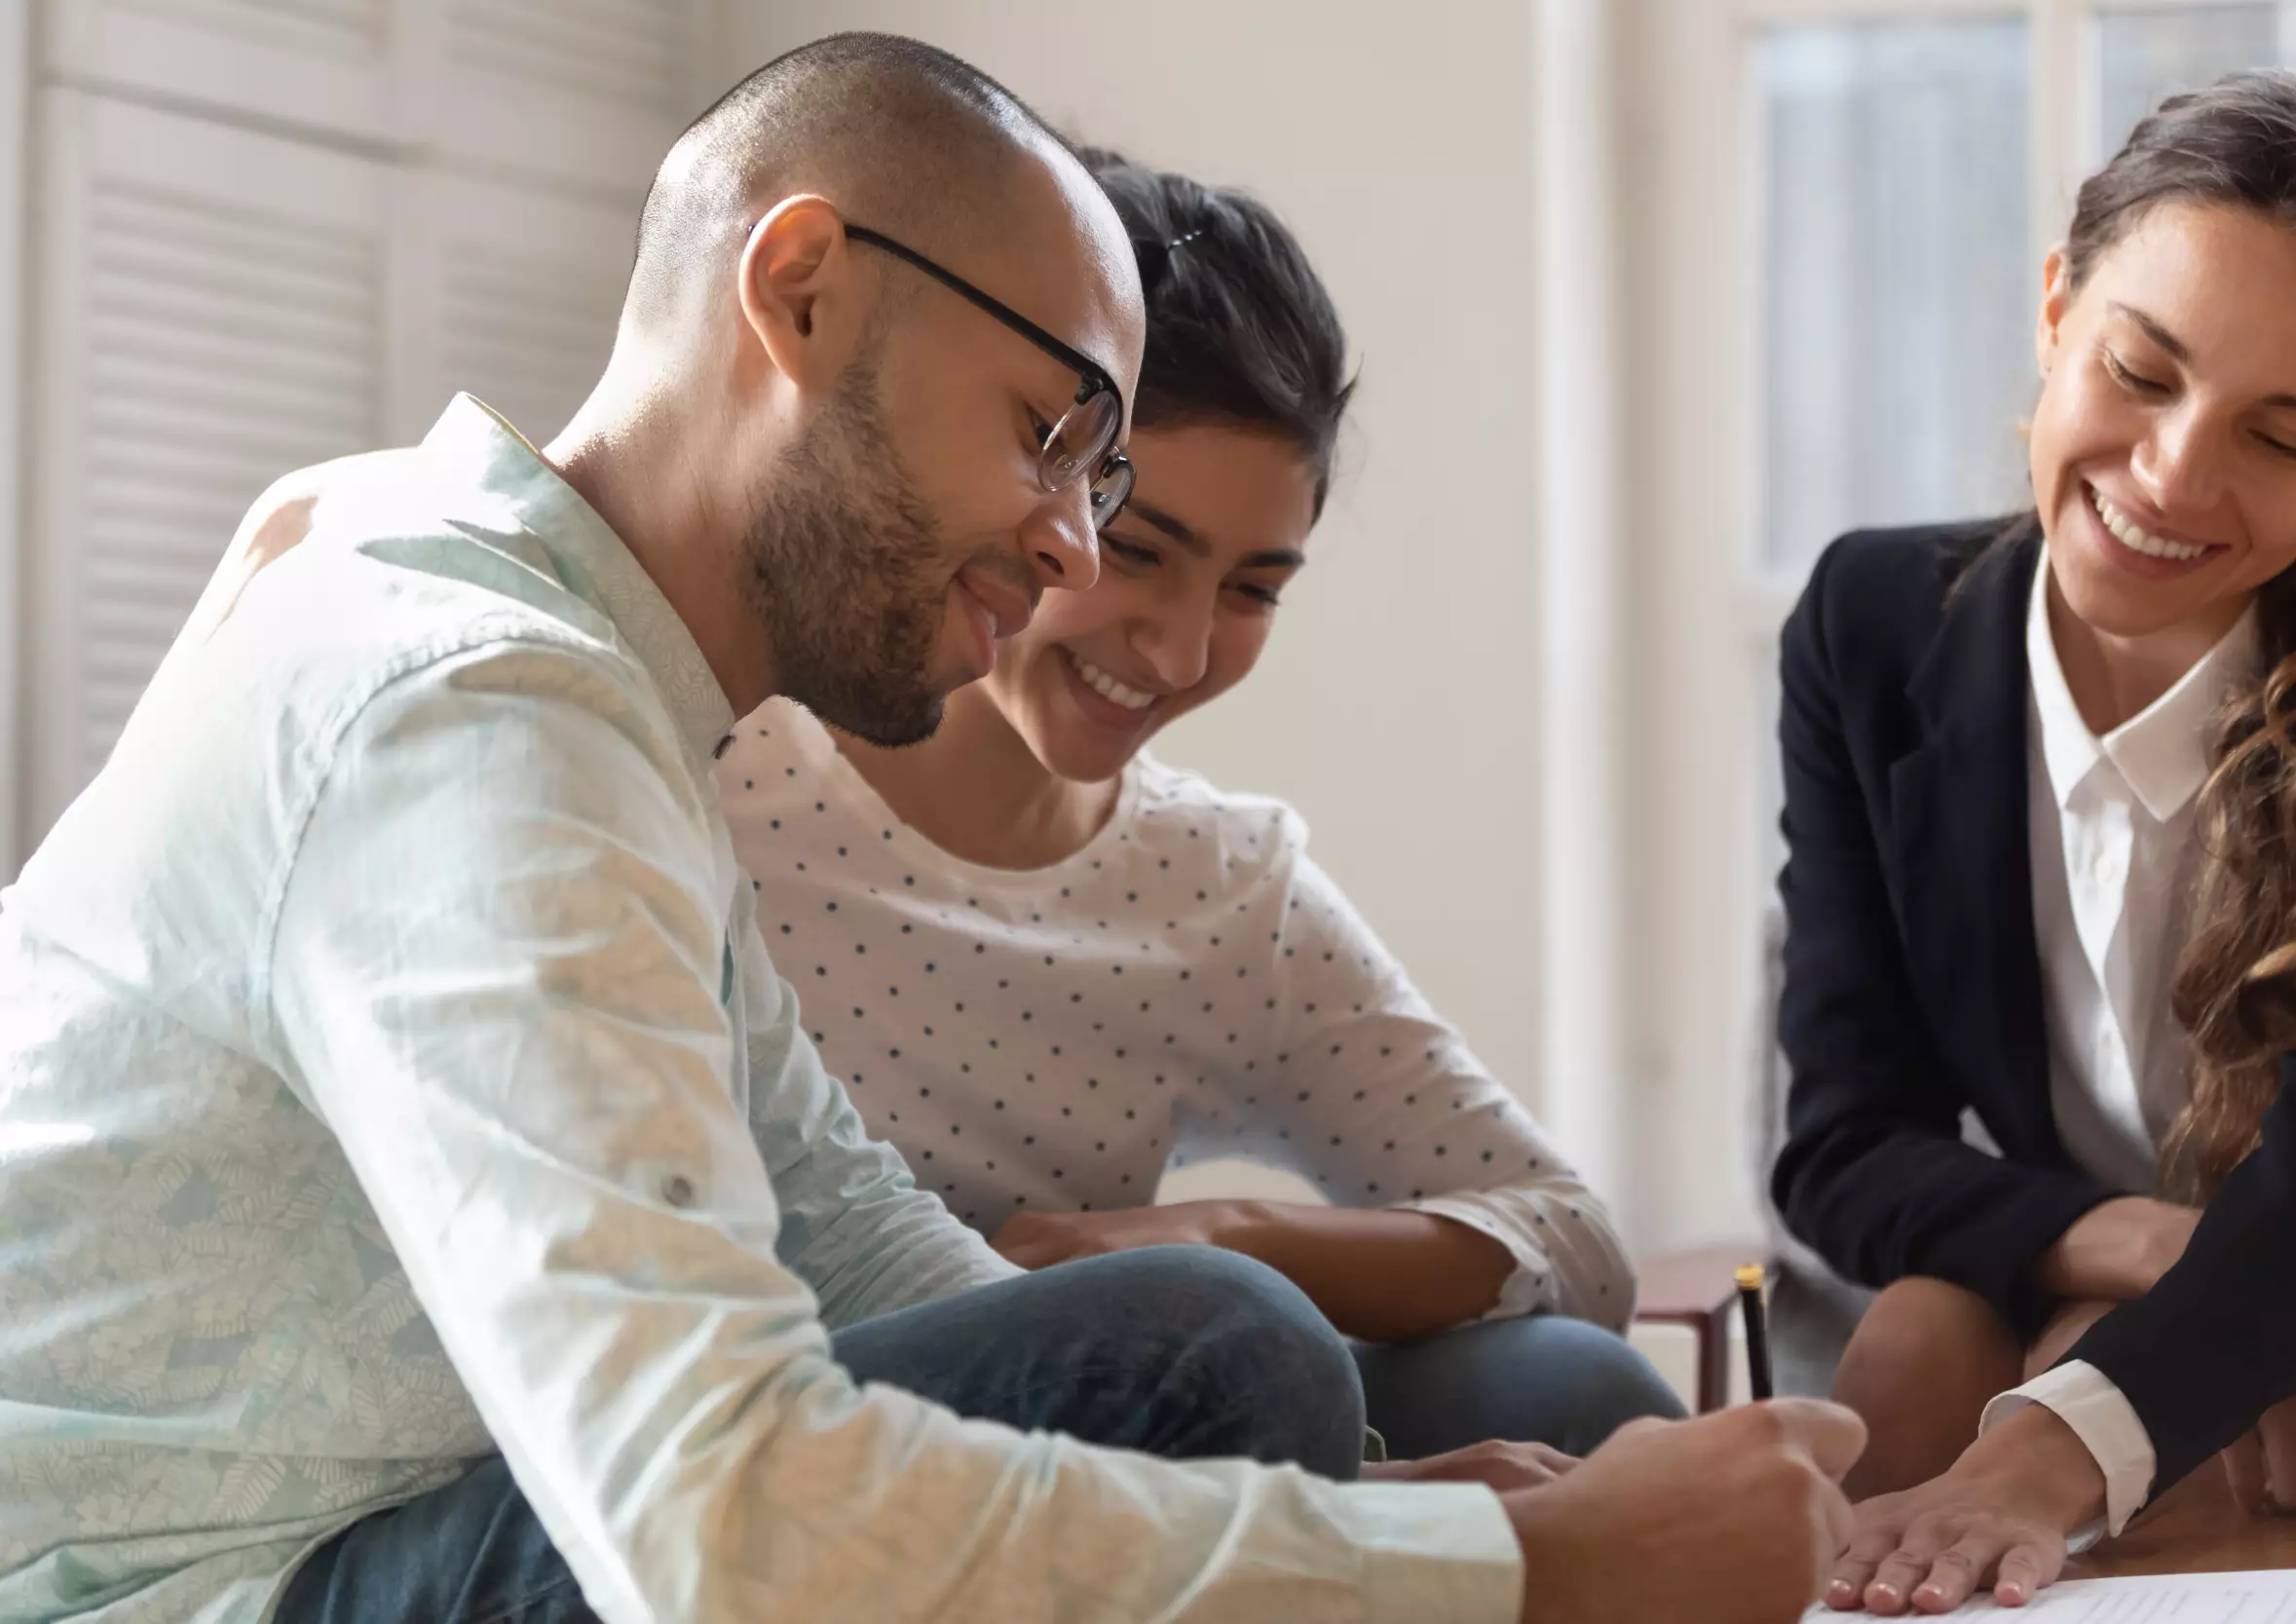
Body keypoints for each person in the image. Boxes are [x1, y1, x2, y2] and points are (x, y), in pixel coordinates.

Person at [0, 30, 1866, 1624]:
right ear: (801, 290)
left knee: (1229, 1345)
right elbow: (717, 1518)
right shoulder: (482, 709)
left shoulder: (598, 678)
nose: (1071, 544)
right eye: (1054, 436)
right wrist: (1506, 1571)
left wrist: (1392, 1500)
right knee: (1220, 1359)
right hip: (197, 1586)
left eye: (1104, 476)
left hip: (375, 1520)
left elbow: (850, 1220)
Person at [715, 146, 1679, 1465]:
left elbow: (1569, 1238)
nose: (1176, 651)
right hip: (780, 1460)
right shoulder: (721, 779)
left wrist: (1209, 1236)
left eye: (1253, 589)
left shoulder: (1213, 884)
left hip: (1120, 1445)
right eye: (1143, 548)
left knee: (1567, 1383)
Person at [1769, 70, 2296, 1613]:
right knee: (1927, 1330)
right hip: (2093, 1274)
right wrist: (2144, 1244)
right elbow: (1846, 1142)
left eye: (2280, 437)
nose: (2175, 476)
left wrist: (2047, 1450)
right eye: (2143, 371)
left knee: (2083, 1375)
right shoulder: (1873, 625)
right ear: (2059, 306)